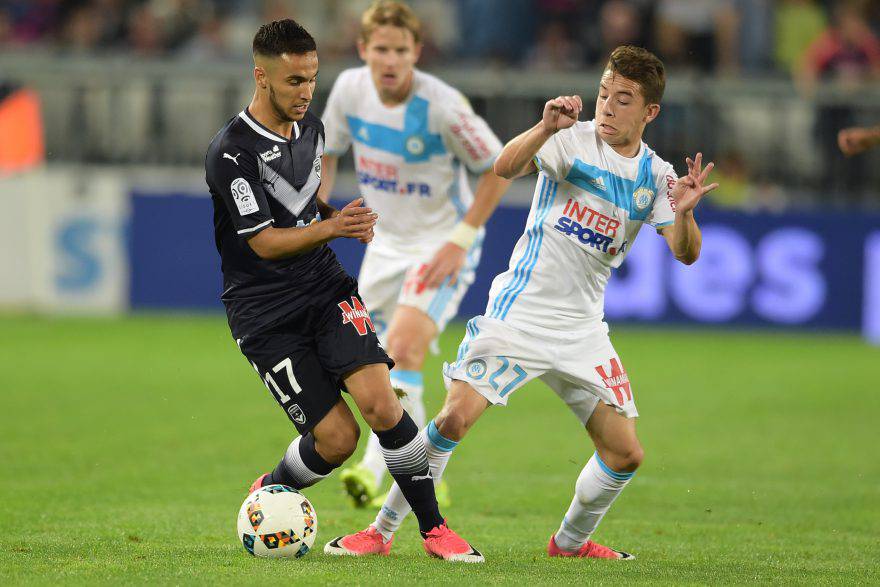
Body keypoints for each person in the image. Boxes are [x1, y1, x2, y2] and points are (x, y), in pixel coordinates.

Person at [328, 45, 718, 559]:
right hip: (520, 314)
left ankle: (570, 543)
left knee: (625, 453)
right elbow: (504, 165)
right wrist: (544, 128)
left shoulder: (656, 177)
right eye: (603, 95)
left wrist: (686, 213)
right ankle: (379, 533)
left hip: (583, 330)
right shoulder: (571, 143)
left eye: (623, 100)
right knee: (452, 421)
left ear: (650, 113)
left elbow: (685, 253)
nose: (606, 108)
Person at [204, 18, 481, 562]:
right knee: (337, 440)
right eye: (293, 82)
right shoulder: (231, 152)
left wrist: (336, 215)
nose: (306, 93)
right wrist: (332, 227)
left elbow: (303, 209)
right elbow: (261, 242)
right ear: (260, 77)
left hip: (324, 286)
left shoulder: (312, 130)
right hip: (264, 314)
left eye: (311, 79)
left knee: (382, 402)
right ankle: (270, 491)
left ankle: (434, 530)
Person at [318, 0, 511, 510]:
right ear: (363, 50)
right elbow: (329, 151)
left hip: (439, 247)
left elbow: (498, 167)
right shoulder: (349, 91)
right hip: (380, 247)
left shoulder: (443, 105)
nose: (389, 60)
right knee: (375, 359)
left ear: (416, 53)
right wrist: (321, 212)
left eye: (400, 50)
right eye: (380, 49)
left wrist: (461, 239)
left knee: (402, 349)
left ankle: (370, 468)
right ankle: (424, 472)